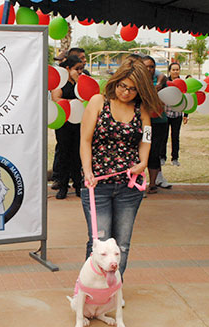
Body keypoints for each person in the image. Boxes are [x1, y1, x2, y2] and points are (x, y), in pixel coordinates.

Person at [80, 57, 161, 278]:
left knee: (122, 244)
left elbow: (146, 138)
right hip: (98, 185)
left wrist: (143, 162)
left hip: (129, 187)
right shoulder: (98, 102)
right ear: (115, 81)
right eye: (122, 86)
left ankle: (114, 288)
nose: (126, 92)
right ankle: (91, 287)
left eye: (133, 89)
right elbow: (85, 140)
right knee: (99, 242)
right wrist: (88, 171)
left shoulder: (140, 109)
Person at [51, 55, 84, 199]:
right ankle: (63, 186)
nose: (80, 72)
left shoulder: (82, 83)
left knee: (77, 155)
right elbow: (56, 99)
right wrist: (73, 102)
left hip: (78, 124)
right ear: (68, 69)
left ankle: (78, 185)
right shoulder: (60, 83)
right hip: (63, 123)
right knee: (64, 154)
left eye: (82, 69)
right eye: (77, 69)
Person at [142, 56, 171, 194]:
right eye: (146, 66)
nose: (149, 69)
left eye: (152, 66)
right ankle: (138, 184)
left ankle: (152, 184)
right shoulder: (137, 82)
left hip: (158, 123)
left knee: (154, 153)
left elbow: (165, 101)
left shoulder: (161, 82)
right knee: (140, 153)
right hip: (142, 124)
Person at [162, 62, 188, 167]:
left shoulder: (183, 83)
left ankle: (175, 158)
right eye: (173, 69)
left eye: (177, 69)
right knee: (164, 136)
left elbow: (187, 99)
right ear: (169, 71)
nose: (175, 71)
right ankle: (162, 157)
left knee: (175, 136)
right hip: (165, 113)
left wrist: (186, 114)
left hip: (177, 114)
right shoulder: (165, 82)